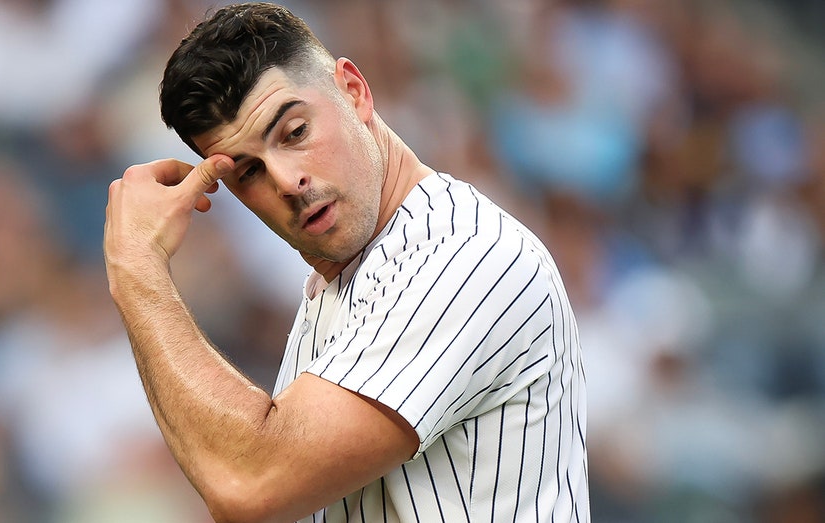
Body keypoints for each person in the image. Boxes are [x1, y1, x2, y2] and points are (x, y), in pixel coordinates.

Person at [103, 3, 589, 522]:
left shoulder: (464, 254)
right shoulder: (346, 281)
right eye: (247, 172)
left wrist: (138, 268)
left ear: (354, 91)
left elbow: (249, 484)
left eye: (293, 132)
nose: (287, 181)